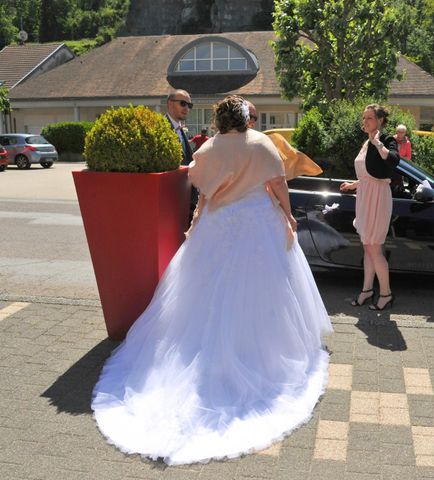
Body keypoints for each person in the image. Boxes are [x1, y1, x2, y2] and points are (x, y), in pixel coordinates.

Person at [91, 95, 333, 465]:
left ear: (220, 119)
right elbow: (277, 183)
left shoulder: (207, 149)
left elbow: (201, 189)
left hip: (217, 224)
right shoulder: (261, 143)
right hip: (256, 221)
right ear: (245, 118)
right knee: (265, 290)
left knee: (202, 291)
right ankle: (263, 349)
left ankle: (200, 350)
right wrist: (287, 213)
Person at [339, 104, 400, 311]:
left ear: (380, 120)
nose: (365, 122)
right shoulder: (366, 143)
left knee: (374, 249)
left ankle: (386, 294)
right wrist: (352, 185)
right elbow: (367, 176)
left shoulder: (386, 140)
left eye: (370, 118)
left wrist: (378, 143)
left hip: (378, 199)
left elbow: (393, 161)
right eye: (363, 118)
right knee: (368, 248)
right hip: (365, 196)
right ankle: (367, 291)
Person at [165, 89, 197, 216]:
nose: (186, 108)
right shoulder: (161, 128)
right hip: (169, 198)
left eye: (189, 105)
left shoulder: (180, 129)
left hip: (185, 197)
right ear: (169, 103)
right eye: (183, 103)